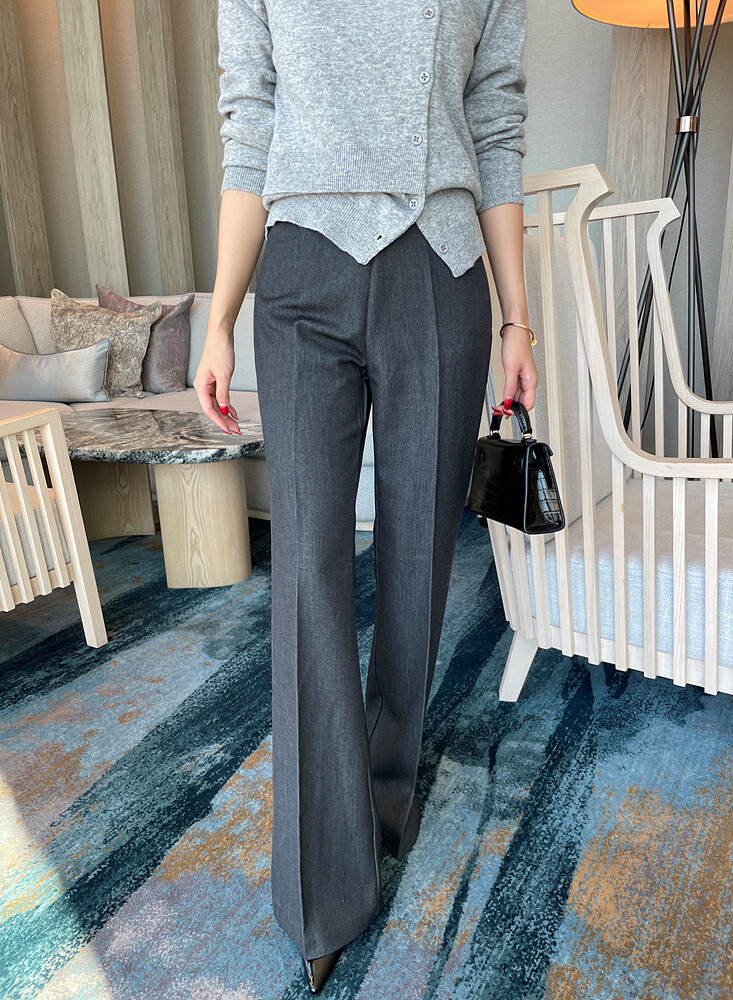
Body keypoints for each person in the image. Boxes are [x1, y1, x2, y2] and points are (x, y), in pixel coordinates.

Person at [195, 0, 538, 993]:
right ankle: (320, 889)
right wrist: (218, 316)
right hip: (301, 268)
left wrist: (518, 320)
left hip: (440, 263)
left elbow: (495, 119)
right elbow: (250, 120)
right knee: (306, 567)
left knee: (419, 553)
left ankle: (384, 789)